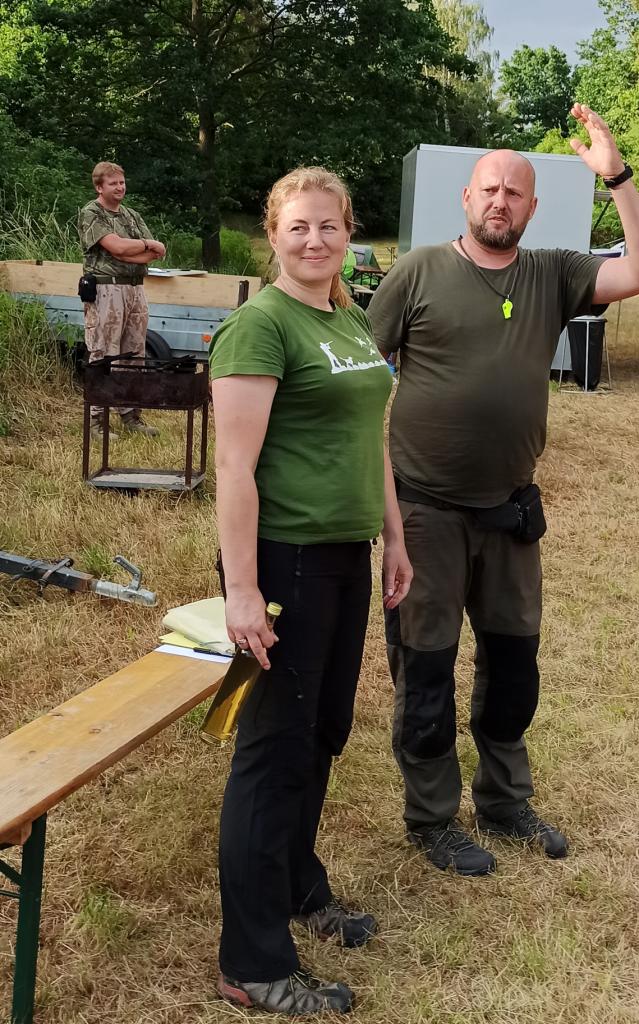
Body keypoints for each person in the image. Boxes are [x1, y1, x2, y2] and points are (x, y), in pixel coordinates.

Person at [366, 104, 639, 876]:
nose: (500, 200)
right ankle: (432, 818)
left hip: (509, 513)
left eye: (515, 192)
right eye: (489, 189)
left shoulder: (553, 273)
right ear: (466, 199)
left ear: (532, 208)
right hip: (425, 513)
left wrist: (618, 178)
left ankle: (503, 803)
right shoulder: (417, 272)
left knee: (513, 668)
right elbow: (359, 380)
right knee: (424, 671)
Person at [209, 167, 411, 1015]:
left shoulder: (349, 318)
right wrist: (242, 590)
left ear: (348, 232)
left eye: (329, 226)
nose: (315, 240)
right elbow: (234, 467)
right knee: (274, 752)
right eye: (298, 227)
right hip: (283, 560)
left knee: (321, 734)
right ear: (273, 235)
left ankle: (299, 886)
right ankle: (252, 962)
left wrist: (393, 535)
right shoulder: (260, 326)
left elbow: (371, 436)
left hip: (342, 555)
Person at [77, 161, 166, 436]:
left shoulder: (131, 215)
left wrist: (130, 252)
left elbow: (155, 253)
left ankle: (131, 416)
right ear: (99, 187)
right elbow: (115, 246)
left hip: (135, 289)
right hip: (107, 290)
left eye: (122, 182)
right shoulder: (92, 213)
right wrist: (140, 246)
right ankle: (96, 420)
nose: (120, 187)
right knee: (104, 352)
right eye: (113, 183)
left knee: (134, 354)